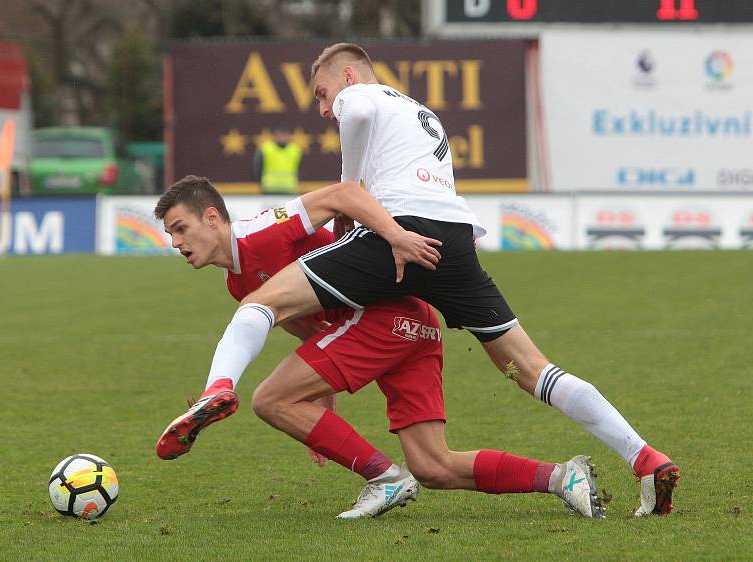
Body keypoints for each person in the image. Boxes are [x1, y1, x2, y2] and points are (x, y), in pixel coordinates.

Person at [158, 43, 679, 517]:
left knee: (257, 308)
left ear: (346, 75)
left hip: (400, 238)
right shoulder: (420, 112)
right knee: (532, 372)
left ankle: (218, 388)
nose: (323, 108)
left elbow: (355, 116)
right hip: (451, 242)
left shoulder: (359, 97)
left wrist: (363, 195)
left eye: (322, 94)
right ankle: (645, 458)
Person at [154, 175, 604, 519]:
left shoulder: (262, 232)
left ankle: (384, 479)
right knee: (434, 467)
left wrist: (394, 235)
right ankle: (564, 477)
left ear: (212, 218)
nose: (175, 243)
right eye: (171, 234)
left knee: (270, 399)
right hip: (413, 325)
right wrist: (317, 414)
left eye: (180, 228)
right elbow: (314, 333)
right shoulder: (239, 284)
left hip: (380, 320)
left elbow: (345, 193)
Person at [252, 124, 303, 195]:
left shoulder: (295, 150)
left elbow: (300, 168)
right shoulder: (265, 148)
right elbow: (257, 168)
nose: (282, 137)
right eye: (280, 135)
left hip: (288, 188)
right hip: (269, 188)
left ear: (289, 136)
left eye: (284, 135)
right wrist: (260, 182)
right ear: (274, 135)